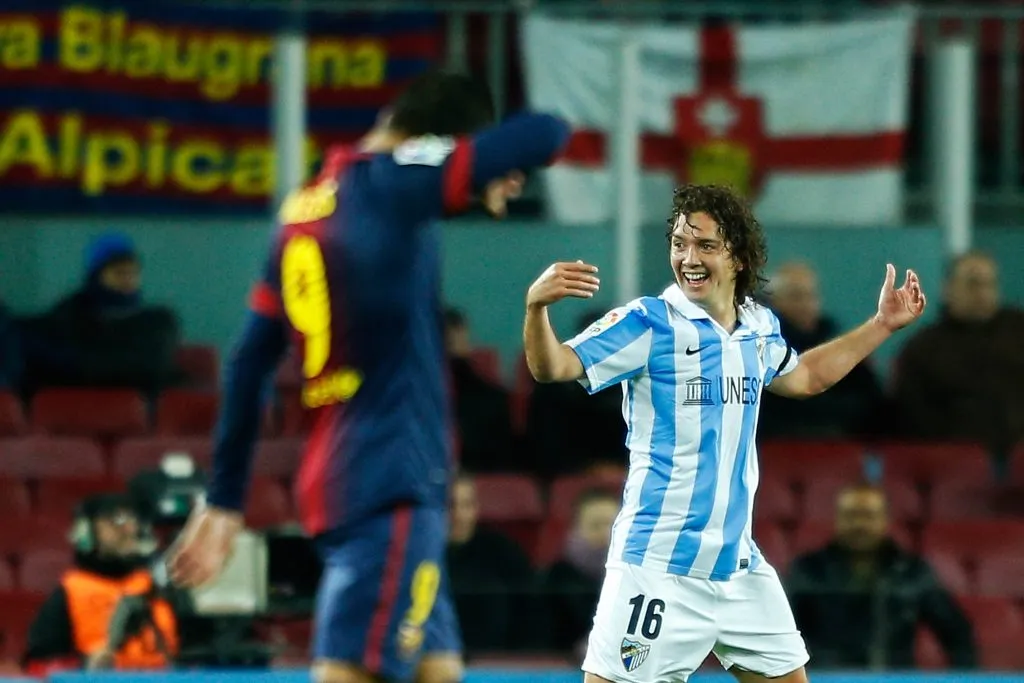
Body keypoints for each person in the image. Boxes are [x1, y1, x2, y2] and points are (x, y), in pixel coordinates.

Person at [166, 69, 571, 683]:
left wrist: (224, 499)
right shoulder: (397, 182)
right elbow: (546, 131)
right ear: (442, 144)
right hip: (393, 485)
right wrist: (469, 164)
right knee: (352, 672)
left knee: (437, 669)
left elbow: (248, 361)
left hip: (343, 478)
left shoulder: (304, 207)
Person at [521, 184, 926, 683]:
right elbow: (553, 366)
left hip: (738, 566)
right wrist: (536, 310)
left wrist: (882, 325)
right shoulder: (648, 323)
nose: (688, 258)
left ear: (737, 256)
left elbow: (805, 376)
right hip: (658, 565)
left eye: (705, 246)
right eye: (678, 244)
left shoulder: (758, 327)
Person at [787, 484, 976, 670]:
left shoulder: (911, 572)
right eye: (851, 516)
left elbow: (957, 633)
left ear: (885, 520)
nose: (860, 525)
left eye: (868, 516)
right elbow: (781, 634)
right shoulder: (809, 570)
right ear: (837, 519)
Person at [23, 494, 186, 674]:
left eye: (132, 518)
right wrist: (84, 666)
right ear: (87, 531)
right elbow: (38, 667)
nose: (129, 528)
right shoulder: (71, 592)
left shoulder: (160, 586)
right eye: (116, 520)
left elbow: (196, 655)